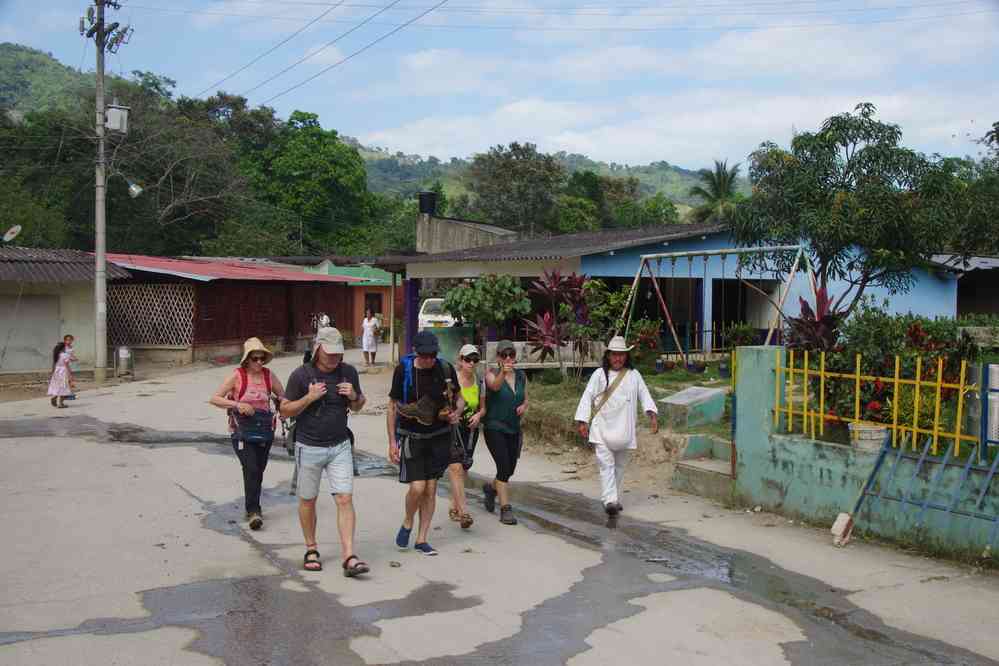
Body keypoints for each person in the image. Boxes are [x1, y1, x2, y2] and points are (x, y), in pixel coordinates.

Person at [280, 327, 369, 577]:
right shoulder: (301, 375)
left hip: (340, 445)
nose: (334, 359)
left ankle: (349, 555)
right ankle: (311, 549)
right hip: (308, 446)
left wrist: (354, 396)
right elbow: (285, 410)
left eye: (338, 354)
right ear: (318, 348)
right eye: (329, 354)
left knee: (344, 498)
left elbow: (359, 405)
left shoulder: (348, 372)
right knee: (308, 499)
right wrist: (308, 398)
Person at [387, 330, 461, 556]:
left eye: (432, 355)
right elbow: (392, 406)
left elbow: (458, 398)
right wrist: (392, 442)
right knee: (417, 487)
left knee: (430, 489)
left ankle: (422, 539)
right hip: (412, 436)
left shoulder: (445, 369)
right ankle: (408, 522)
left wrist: (456, 412)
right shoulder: (404, 371)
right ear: (415, 352)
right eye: (425, 355)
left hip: (439, 436)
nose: (429, 360)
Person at [574, 335, 658, 517]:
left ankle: (613, 496)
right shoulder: (598, 375)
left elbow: (644, 394)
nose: (618, 358)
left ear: (626, 356)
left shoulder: (634, 376)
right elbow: (587, 396)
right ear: (608, 356)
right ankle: (610, 501)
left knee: (619, 467)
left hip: (625, 431)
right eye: (614, 355)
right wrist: (583, 421)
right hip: (602, 429)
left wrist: (651, 412)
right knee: (606, 466)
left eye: (621, 355)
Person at [209, 338, 285, 531]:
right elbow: (215, 398)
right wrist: (238, 405)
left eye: (262, 358)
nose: (259, 362)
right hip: (241, 432)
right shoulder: (238, 376)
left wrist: (281, 402)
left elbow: (283, 397)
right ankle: (253, 511)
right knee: (250, 468)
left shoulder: (269, 376)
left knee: (259, 469)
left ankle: (253, 505)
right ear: (247, 360)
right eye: (255, 358)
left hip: (265, 431)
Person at [482, 340, 528, 526]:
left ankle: (491, 489)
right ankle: (505, 509)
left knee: (509, 470)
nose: (508, 358)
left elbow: (525, 398)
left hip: (513, 428)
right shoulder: (491, 374)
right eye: (504, 355)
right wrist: (503, 371)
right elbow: (494, 387)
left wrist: (524, 406)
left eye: (511, 354)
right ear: (498, 357)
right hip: (494, 427)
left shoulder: (521, 376)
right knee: (503, 467)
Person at [448, 344, 485, 530]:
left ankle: (454, 506)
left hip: (471, 430)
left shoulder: (479, 381)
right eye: (467, 359)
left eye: (475, 360)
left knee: (464, 468)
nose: (471, 363)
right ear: (460, 360)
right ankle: (464, 512)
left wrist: (478, 416)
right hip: (453, 429)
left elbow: (483, 407)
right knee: (455, 468)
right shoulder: (453, 381)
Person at [47, 335, 77, 408]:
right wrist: (70, 375)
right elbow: (67, 365)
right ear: (63, 348)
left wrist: (52, 373)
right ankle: (61, 404)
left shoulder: (57, 355)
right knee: (64, 387)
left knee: (57, 386)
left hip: (57, 371)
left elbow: (54, 364)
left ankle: (54, 396)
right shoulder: (65, 355)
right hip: (63, 371)